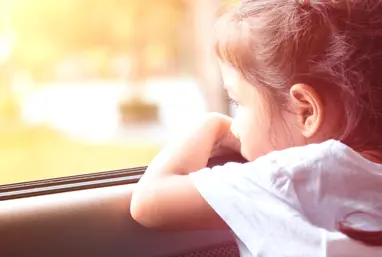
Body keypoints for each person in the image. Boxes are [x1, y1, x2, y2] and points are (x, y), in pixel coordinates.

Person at [130, 0, 382, 256]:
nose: (236, 125)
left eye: (237, 102)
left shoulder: (291, 178)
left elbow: (149, 201)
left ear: (305, 111)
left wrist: (212, 125)